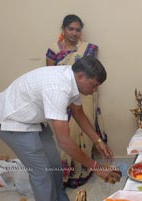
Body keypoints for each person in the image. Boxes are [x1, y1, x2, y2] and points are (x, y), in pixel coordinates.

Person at [0, 56, 121, 201]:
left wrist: (98, 141)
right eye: (93, 85)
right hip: (12, 119)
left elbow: (78, 112)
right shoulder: (58, 88)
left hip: (32, 118)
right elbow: (65, 142)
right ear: (81, 76)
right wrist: (95, 166)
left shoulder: (71, 79)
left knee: (54, 165)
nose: (94, 91)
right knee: (41, 172)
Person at [46, 14, 107, 188]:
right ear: (63, 30)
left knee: (83, 130)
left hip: (81, 96)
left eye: (78, 30)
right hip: (60, 99)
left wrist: (98, 141)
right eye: (70, 29)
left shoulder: (89, 49)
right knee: (66, 135)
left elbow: (93, 76)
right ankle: (67, 175)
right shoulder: (53, 53)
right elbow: (52, 77)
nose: (74, 33)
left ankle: (83, 171)